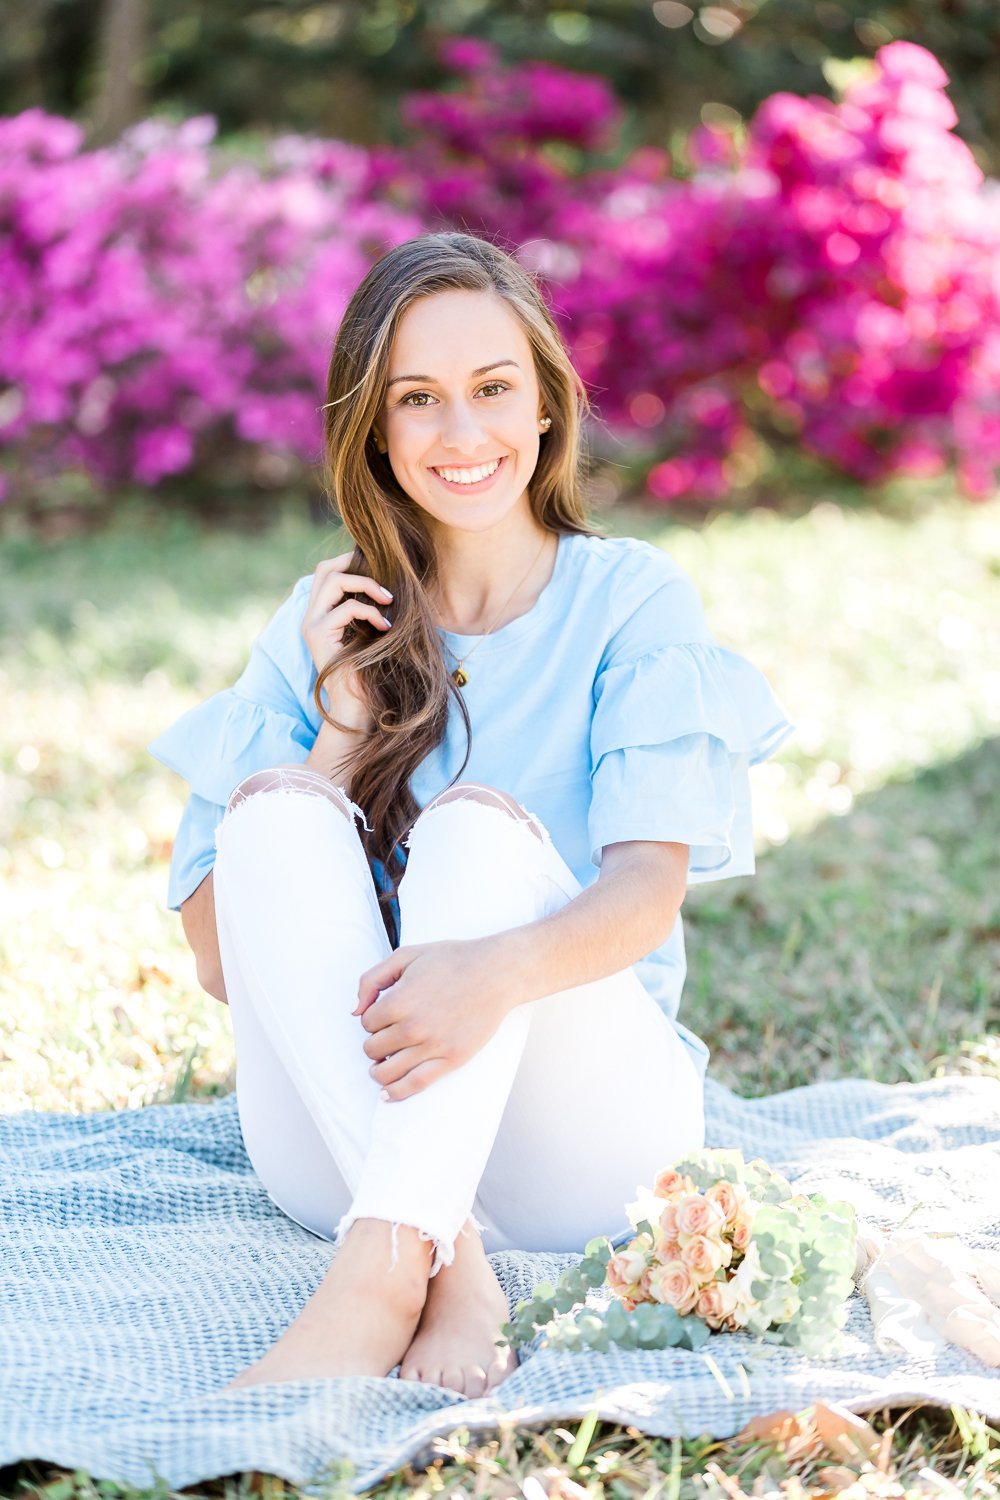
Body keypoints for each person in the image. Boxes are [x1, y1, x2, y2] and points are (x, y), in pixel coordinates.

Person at [147, 230, 795, 1398]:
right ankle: (438, 1267)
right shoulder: (324, 616)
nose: (462, 433)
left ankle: (381, 1277)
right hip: (347, 1144)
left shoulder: (628, 599)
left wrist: (489, 974)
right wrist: (339, 735)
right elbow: (221, 958)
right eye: (418, 400)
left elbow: (644, 898)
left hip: (582, 1149)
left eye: (494, 389)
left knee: (476, 832)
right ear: (377, 432)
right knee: (269, 816)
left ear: (545, 404)